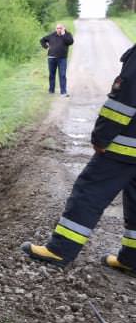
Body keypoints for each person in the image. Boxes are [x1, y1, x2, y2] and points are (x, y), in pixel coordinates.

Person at [22, 43, 136, 276]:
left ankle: (59, 250)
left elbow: (122, 104)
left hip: (126, 148)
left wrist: (101, 136)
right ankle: (133, 259)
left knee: (89, 192)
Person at [40, 24, 74, 96]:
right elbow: (42, 40)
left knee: (62, 75)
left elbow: (70, 42)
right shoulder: (52, 35)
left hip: (62, 58)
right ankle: (51, 90)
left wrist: (63, 34)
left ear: (63, 28)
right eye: (57, 28)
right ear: (56, 29)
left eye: (60, 28)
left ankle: (63, 92)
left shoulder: (67, 35)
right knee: (52, 75)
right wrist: (46, 47)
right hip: (51, 58)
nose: (59, 29)